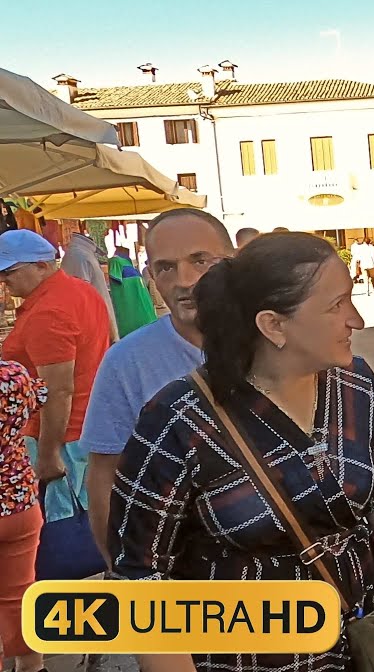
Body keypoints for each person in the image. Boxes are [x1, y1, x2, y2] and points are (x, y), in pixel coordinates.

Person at [110, 233, 374, 672]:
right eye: (336, 306)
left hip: (367, 636)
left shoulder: (353, 383)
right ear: (273, 325)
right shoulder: (179, 420)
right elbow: (143, 577)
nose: (355, 319)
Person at [82, 209, 232, 565]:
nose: (185, 280)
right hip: (179, 574)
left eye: (200, 260)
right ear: (150, 276)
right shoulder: (126, 362)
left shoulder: (275, 344)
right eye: (166, 267)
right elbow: (106, 475)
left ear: (233, 263)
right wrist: (119, 568)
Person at [0, 230, 110, 541]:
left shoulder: (48, 312)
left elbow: (58, 390)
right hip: (86, 423)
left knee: (60, 527)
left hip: (60, 433)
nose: (4, 279)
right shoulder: (80, 291)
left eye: (10, 271)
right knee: (88, 517)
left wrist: (49, 454)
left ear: (42, 265)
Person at [0, 361, 48, 672]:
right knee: (20, 595)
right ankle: (33, 666)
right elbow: (41, 393)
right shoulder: (13, 376)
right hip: (18, 505)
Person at [60, 231, 119, 341]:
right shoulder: (77, 256)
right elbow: (81, 301)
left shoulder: (82, 254)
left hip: (99, 327)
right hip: (94, 332)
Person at [108, 245, 157, 337]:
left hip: (130, 313)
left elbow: (114, 278)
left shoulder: (116, 261)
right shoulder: (129, 265)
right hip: (145, 313)